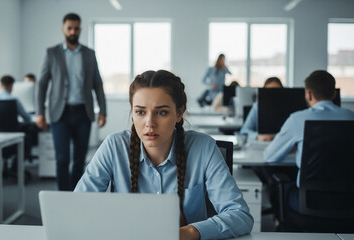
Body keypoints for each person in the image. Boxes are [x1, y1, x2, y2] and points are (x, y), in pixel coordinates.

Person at [75, 70, 253, 240]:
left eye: (162, 112)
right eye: (140, 112)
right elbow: (77, 207)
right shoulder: (114, 147)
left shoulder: (203, 148)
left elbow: (240, 215)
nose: (149, 123)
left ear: (179, 113)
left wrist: (190, 232)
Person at [264, 70, 354, 211]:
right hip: (348, 203)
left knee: (279, 186)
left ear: (309, 94)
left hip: (310, 203)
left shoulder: (297, 119)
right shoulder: (351, 117)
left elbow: (270, 157)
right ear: (334, 94)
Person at [37, 13, 107, 191]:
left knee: (79, 159)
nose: (73, 31)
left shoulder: (89, 54)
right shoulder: (52, 53)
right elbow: (42, 83)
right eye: (69, 28)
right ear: (63, 29)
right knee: (62, 159)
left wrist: (103, 111)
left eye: (76, 28)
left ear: (80, 29)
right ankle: (62, 196)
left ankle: (76, 195)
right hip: (60, 114)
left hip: (83, 113)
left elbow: (97, 84)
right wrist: (40, 112)